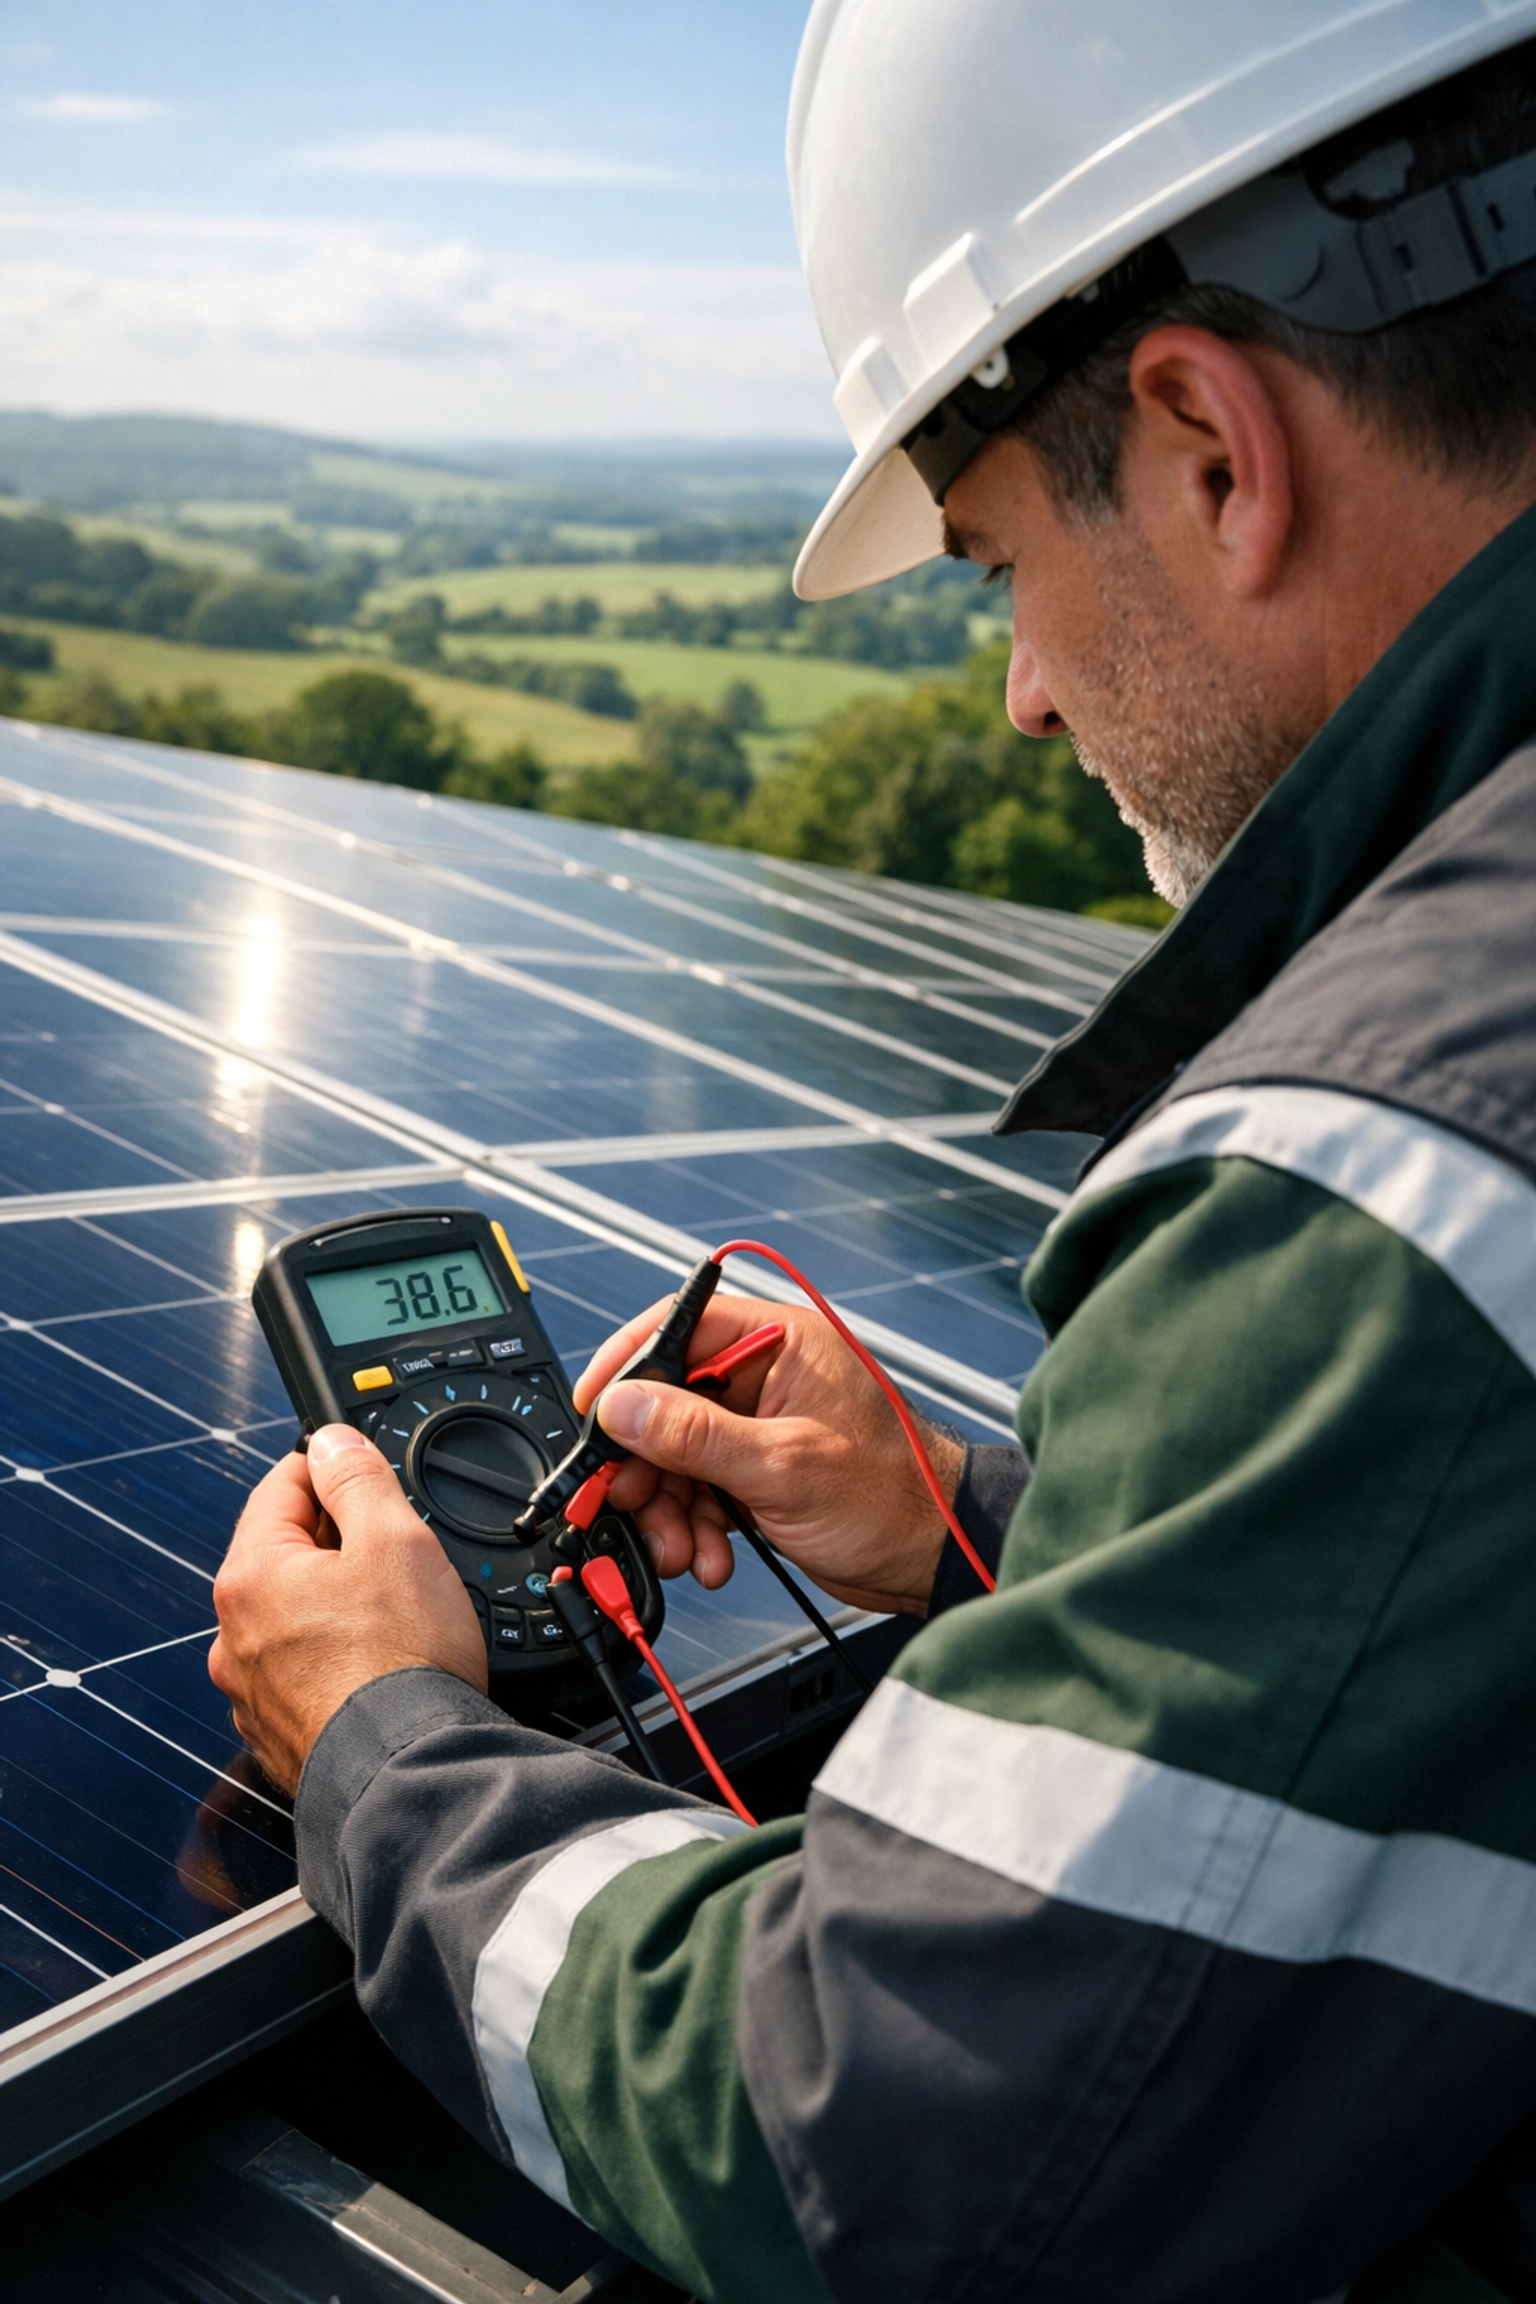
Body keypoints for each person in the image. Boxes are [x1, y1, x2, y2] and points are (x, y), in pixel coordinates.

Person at [211, 6, 1536, 2299]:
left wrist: (376, 1745)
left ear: (1213, 444)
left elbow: (895, 2157)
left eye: (1001, 558)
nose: (1022, 691)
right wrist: (978, 1534)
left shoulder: (1401, 1164)